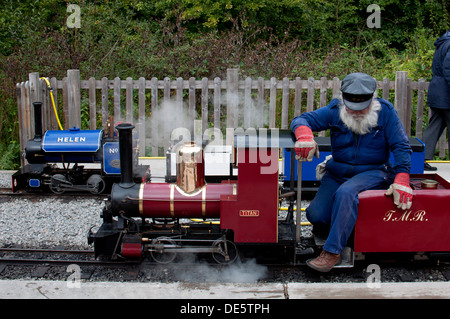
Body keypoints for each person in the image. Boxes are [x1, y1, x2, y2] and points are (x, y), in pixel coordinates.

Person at [290, 72, 413, 272]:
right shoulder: (334, 110)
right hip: (337, 172)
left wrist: (402, 177)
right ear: (343, 98)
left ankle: (332, 251)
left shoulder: (387, 112)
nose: (356, 112)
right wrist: (304, 135)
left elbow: (401, 145)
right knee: (315, 214)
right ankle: (341, 230)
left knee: (347, 192)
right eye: (352, 107)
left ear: (372, 99)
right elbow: (301, 119)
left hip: (374, 171)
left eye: (362, 108)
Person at [422, 30, 450, 171]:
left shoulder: (443, 43)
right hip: (447, 94)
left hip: (438, 92)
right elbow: (448, 68)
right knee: (435, 125)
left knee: (434, 127)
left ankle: (421, 158)